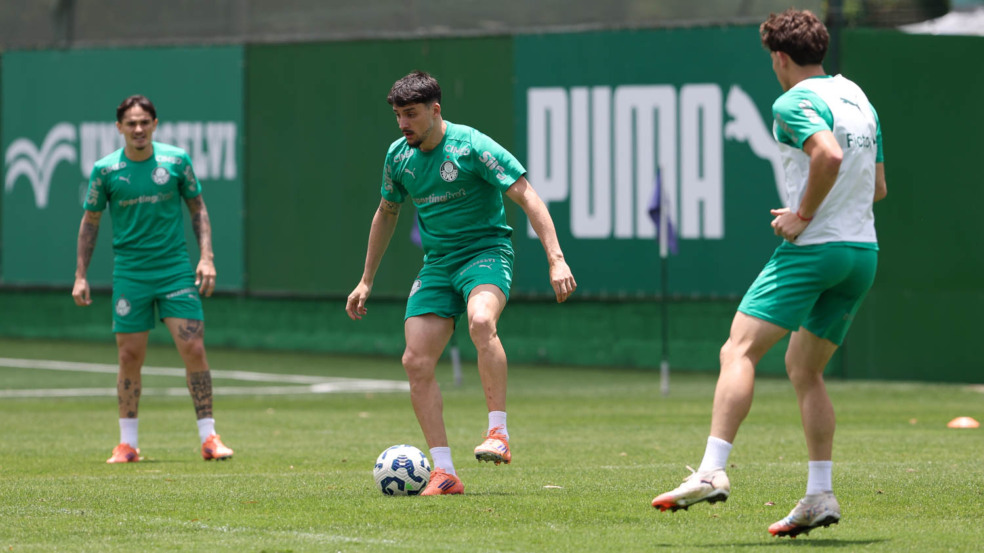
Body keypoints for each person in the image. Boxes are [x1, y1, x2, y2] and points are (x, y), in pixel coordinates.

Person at [651, 9, 887, 537]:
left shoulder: (793, 100)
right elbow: (877, 189)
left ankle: (712, 470)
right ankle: (819, 494)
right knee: (805, 370)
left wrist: (803, 214)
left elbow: (824, 154)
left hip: (816, 249)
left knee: (737, 351)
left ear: (779, 58)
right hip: (862, 252)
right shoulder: (859, 99)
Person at [346, 71, 576, 496]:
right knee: (415, 361)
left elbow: (527, 195)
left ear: (436, 110)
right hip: (438, 265)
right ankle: (445, 472)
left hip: (485, 254)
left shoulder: (472, 146)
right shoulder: (398, 157)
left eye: (411, 114)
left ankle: (498, 432)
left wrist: (556, 259)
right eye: (398, 115)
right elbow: (387, 212)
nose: (403, 124)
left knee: (481, 321)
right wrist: (366, 280)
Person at [72, 95, 234, 464]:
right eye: (131, 123)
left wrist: (206, 257)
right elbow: (90, 222)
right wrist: (81, 275)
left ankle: (209, 438)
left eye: (145, 121)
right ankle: (127, 444)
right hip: (130, 272)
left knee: (193, 348)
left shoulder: (177, 160)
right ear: (119, 128)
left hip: (175, 269)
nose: (139, 129)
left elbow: (198, 207)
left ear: (155, 123)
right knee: (129, 355)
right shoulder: (106, 170)